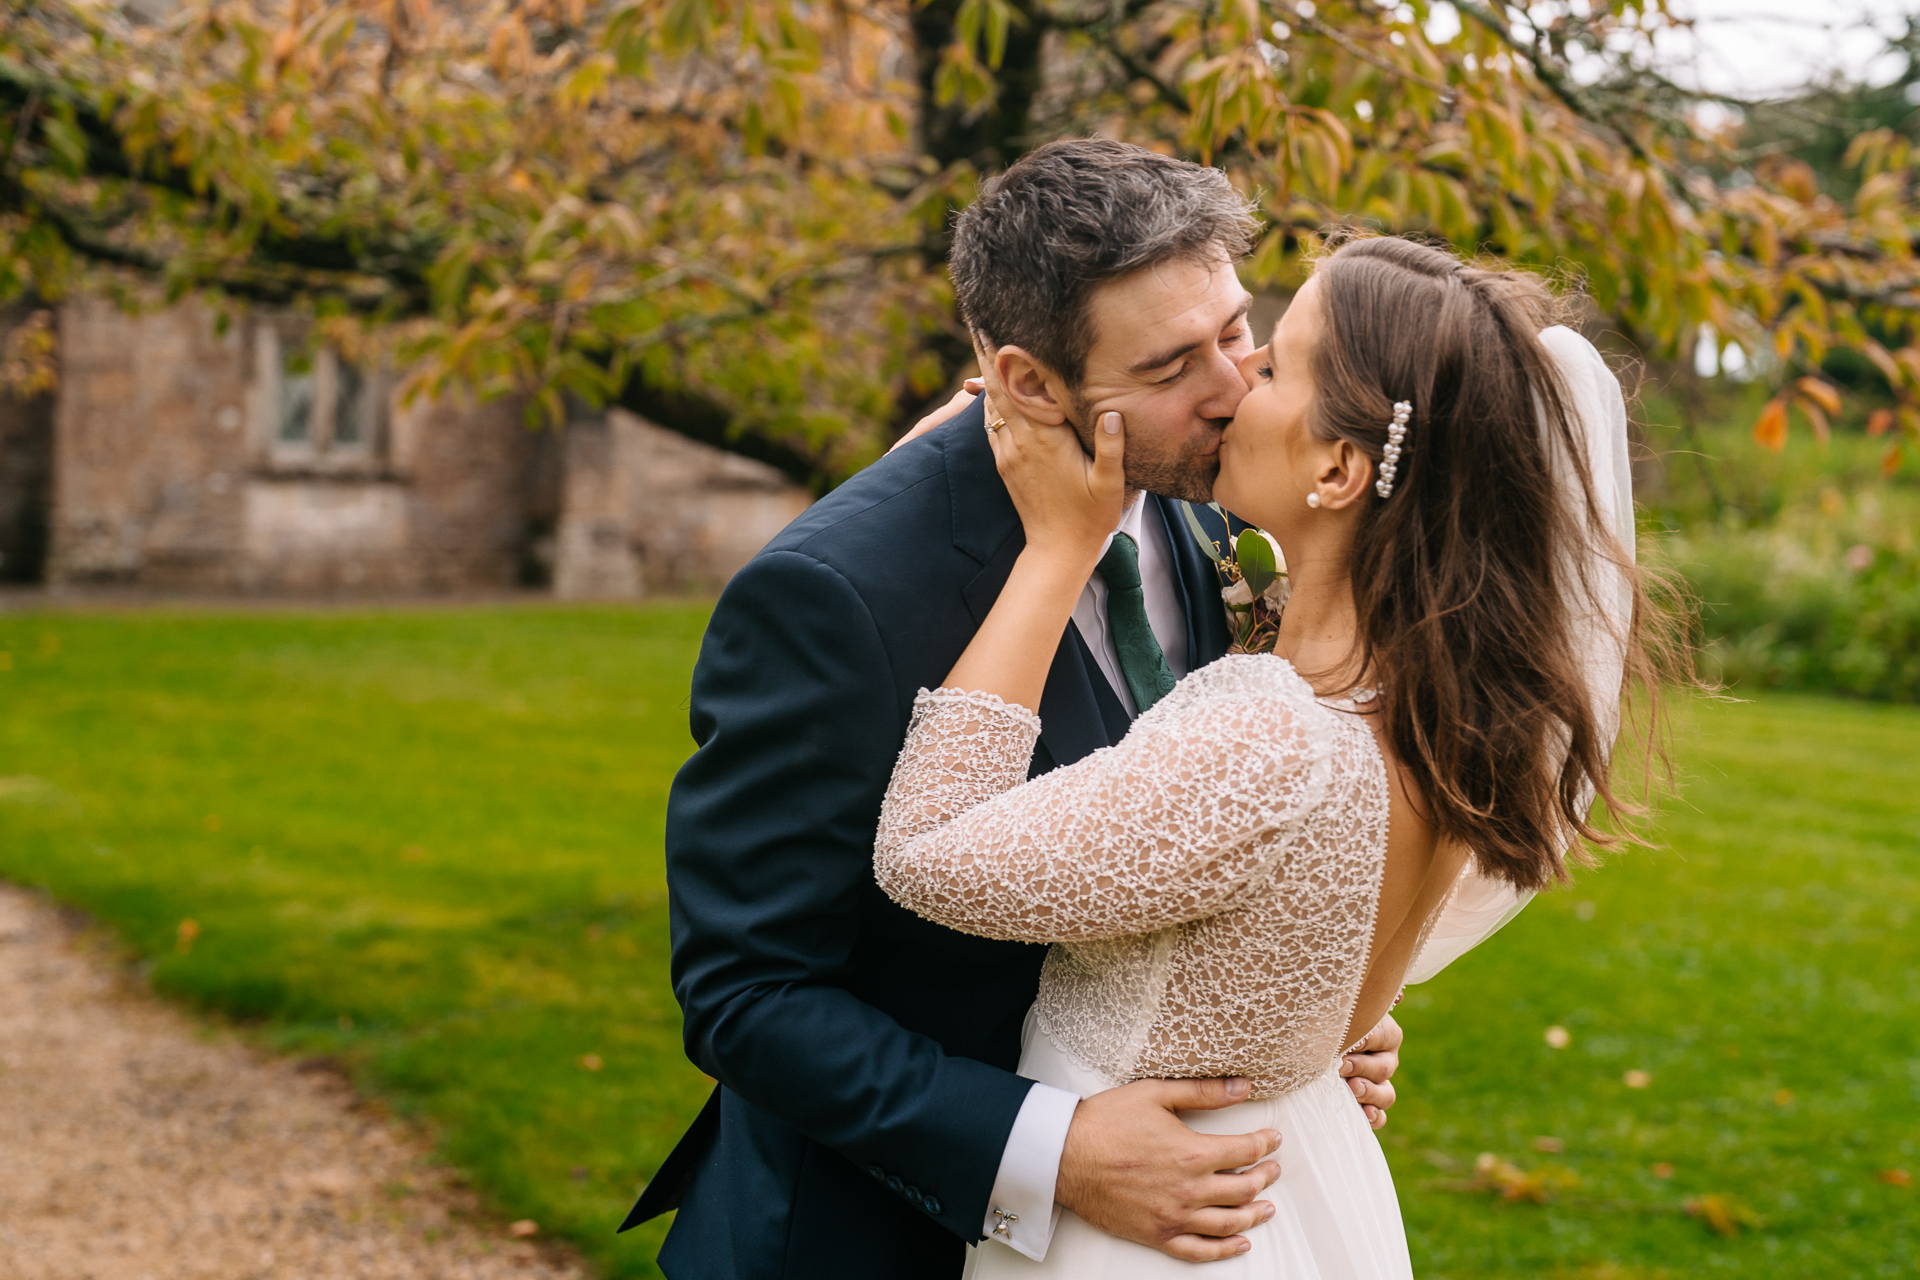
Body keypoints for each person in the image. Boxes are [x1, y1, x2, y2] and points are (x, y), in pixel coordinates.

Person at [622, 140, 1408, 1278]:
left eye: (1239, 329)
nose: (1235, 390)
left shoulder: (1206, 503)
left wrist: (1293, 993)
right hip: (869, 1242)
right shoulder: (832, 595)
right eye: (1175, 362)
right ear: (1030, 383)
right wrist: (1051, 1148)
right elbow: (749, 993)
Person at [871, 232, 1662, 1277]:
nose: (1237, 377)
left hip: (1145, 1232)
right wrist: (1337, 1024)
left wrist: (1057, 548)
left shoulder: (1269, 731)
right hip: (1296, 1183)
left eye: (1277, 361)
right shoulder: (1439, 709)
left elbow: (924, 851)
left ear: (1340, 467)